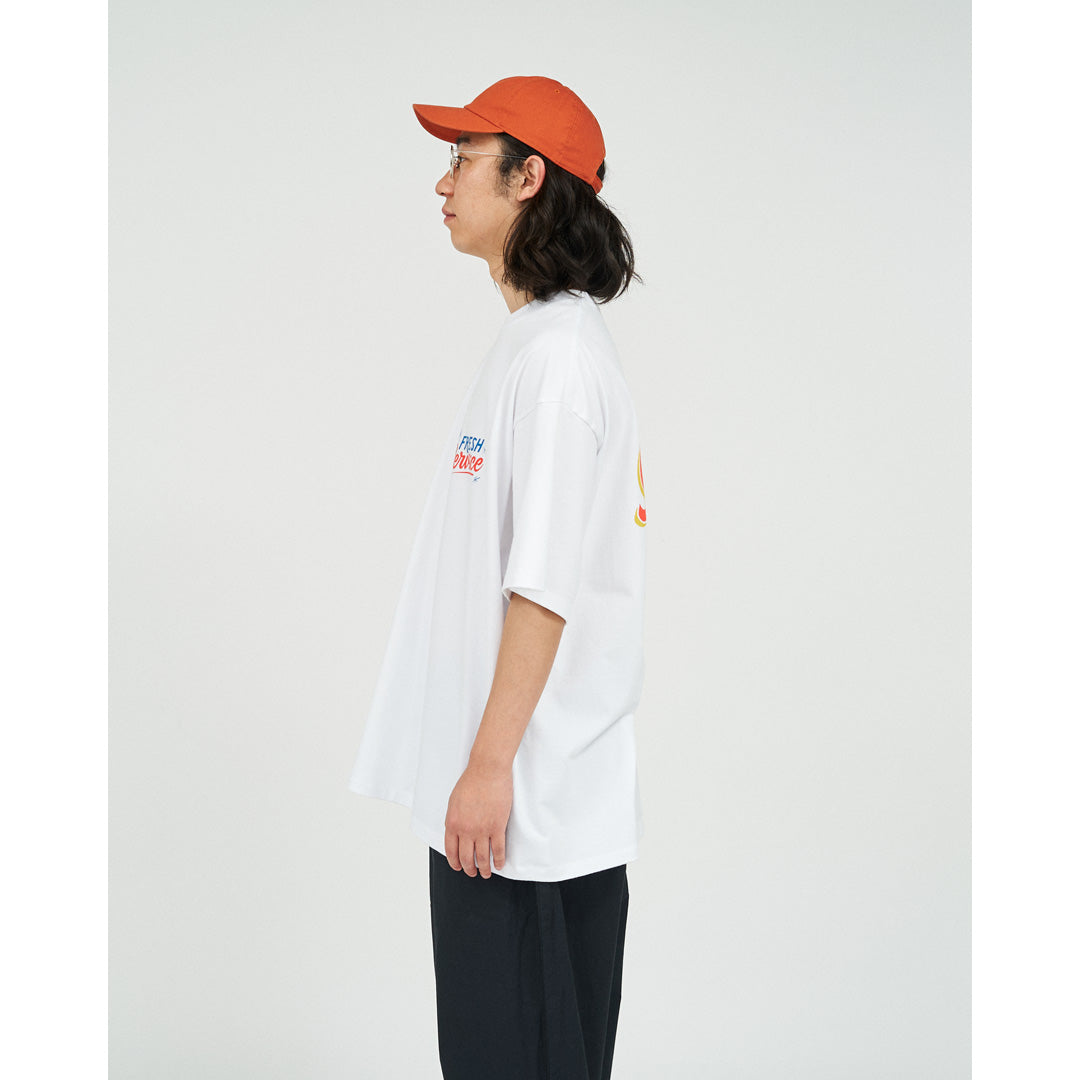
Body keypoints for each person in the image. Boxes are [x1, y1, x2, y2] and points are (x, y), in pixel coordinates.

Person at [348, 75, 647, 1080]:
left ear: (528, 178)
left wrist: (486, 771)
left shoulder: (558, 363)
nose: (443, 183)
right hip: (506, 809)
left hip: (529, 814)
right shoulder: (533, 345)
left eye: (462, 159)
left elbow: (544, 587)